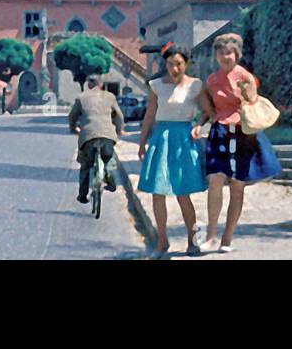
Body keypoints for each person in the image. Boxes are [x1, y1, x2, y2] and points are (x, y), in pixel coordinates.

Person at [199, 32, 282, 253]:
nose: (225, 56)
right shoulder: (211, 80)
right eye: (220, 52)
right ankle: (210, 235)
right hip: (220, 131)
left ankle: (227, 238)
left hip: (243, 132)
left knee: (237, 184)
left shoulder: (245, 76)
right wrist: (200, 124)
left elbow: (253, 102)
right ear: (215, 55)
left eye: (229, 52)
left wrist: (248, 92)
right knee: (215, 180)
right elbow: (209, 108)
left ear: (237, 54)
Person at [138, 43, 214, 258]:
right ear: (165, 64)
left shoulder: (195, 86)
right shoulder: (156, 86)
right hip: (161, 139)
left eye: (179, 64)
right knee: (158, 192)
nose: (175, 69)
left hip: (183, 139)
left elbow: (208, 111)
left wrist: (199, 125)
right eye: (171, 64)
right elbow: (150, 115)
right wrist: (142, 142)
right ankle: (162, 241)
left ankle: (192, 241)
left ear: (186, 64)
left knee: (183, 193)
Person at [66, 74, 124, 204]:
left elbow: (72, 116)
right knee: (108, 158)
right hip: (107, 135)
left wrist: (72, 127)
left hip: (88, 136)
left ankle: (82, 194)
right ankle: (110, 178)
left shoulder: (81, 98)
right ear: (101, 84)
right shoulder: (110, 97)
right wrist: (119, 130)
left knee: (85, 165)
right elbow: (119, 116)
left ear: (88, 85)